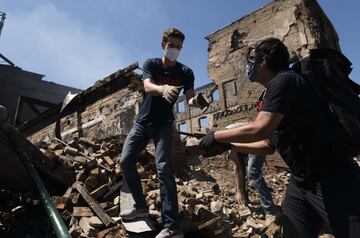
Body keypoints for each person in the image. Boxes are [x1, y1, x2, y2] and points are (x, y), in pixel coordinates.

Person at [199, 38, 360, 237]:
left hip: (333, 178)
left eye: (251, 60)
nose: (248, 66)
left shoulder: (284, 81)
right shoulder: (272, 93)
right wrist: (232, 145)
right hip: (301, 182)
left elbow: (260, 128)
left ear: (263, 61)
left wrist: (216, 136)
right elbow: (268, 145)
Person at [120, 28, 205, 238]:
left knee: (164, 170)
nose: (175, 49)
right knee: (125, 161)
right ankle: (140, 207)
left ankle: (172, 227)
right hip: (143, 122)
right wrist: (163, 88)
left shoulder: (186, 72)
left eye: (179, 46)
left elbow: (190, 98)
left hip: (164, 125)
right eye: (172, 45)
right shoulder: (151, 64)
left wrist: (197, 101)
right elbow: (148, 86)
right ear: (163, 45)